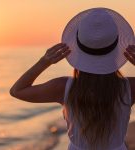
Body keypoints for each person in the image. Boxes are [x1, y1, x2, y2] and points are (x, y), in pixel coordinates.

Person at [10, 7, 135, 150]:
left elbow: (17, 90)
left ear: (78, 47)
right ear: (116, 48)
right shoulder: (129, 87)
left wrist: (44, 61)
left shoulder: (63, 87)